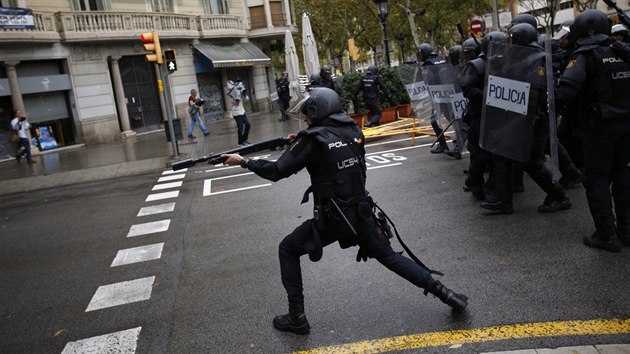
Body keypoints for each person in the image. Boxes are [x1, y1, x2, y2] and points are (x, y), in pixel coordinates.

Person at [221, 87, 468, 334]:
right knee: (390, 257)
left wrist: (244, 161)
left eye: (308, 113)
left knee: (287, 248)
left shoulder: (312, 141)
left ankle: (297, 317)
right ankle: (447, 295)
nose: (306, 118)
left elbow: (277, 171)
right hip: (362, 212)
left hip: (334, 218)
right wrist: (299, 140)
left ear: (319, 111)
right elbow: (331, 148)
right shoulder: (353, 130)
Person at [557, 9, 630, 252]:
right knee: (622, 177)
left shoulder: (585, 55)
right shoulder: (621, 51)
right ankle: (627, 232)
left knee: (597, 178)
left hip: (599, 129)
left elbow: (567, 92)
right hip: (626, 126)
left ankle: (606, 235)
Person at [480, 23, 571, 215]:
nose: (508, 42)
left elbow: (533, 91)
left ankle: (560, 196)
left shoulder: (537, 59)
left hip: (534, 119)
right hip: (518, 117)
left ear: (517, 39)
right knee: (503, 154)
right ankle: (504, 201)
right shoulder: (519, 56)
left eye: (511, 39)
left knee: (532, 161)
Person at [418, 43, 451, 154]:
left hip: (438, 96)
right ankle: (463, 140)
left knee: (434, 121)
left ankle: (443, 145)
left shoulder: (428, 64)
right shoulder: (441, 59)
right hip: (449, 93)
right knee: (451, 118)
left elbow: (429, 81)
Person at [227, 79, 251, 147]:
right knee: (240, 128)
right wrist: (238, 97)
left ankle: (244, 140)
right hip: (237, 113)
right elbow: (236, 103)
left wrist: (244, 94)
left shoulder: (239, 91)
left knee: (248, 125)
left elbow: (247, 100)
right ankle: (240, 143)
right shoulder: (232, 93)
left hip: (242, 111)